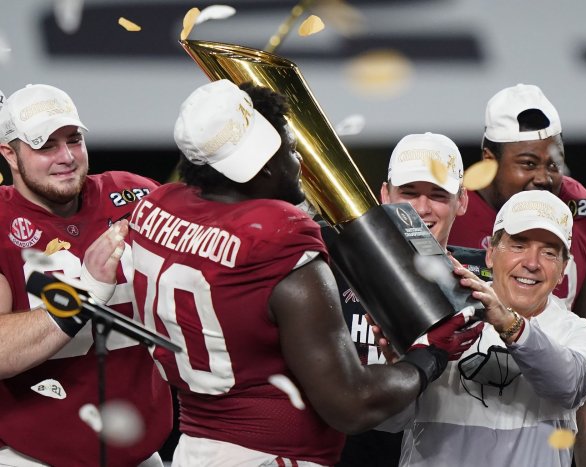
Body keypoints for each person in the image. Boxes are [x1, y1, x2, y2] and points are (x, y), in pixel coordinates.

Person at [128, 79, 483, 466]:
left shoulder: (156, 207)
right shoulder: (278, 237)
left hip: (195, 449)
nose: (299, 163)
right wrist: (428, 355)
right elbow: (352, 405)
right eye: (291, 149)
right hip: (271, 456)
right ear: (262, 166)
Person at [0, 84, 173, 466]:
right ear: (9, 154)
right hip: (33, 456)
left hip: (142, 452)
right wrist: (87, 294)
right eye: (46, 146)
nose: (66, 157)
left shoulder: (134, 194)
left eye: (74, 140)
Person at [376, 189, 586, 467]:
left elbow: (569, 385)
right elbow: (388, 424)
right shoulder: (437, 316)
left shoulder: (581, 333)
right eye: (518, 246)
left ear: (563, 270)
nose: (531, 263)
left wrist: (508, 322)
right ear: (490, 254)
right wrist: (398, 372)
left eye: (548, 253)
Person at [447, 83, 586, 466]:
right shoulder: (448, 209)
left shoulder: (574, 209)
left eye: (553, 163)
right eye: (527, 163)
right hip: (454, 409)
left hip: (546, 412)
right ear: (489, 159)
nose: (543, 177)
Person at [329, 132, 490, 466]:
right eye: (409, 193)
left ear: (462, 201)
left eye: (437, 195)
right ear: (385, 194)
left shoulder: (488, 280)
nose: (421, 208)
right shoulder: (337, 270)